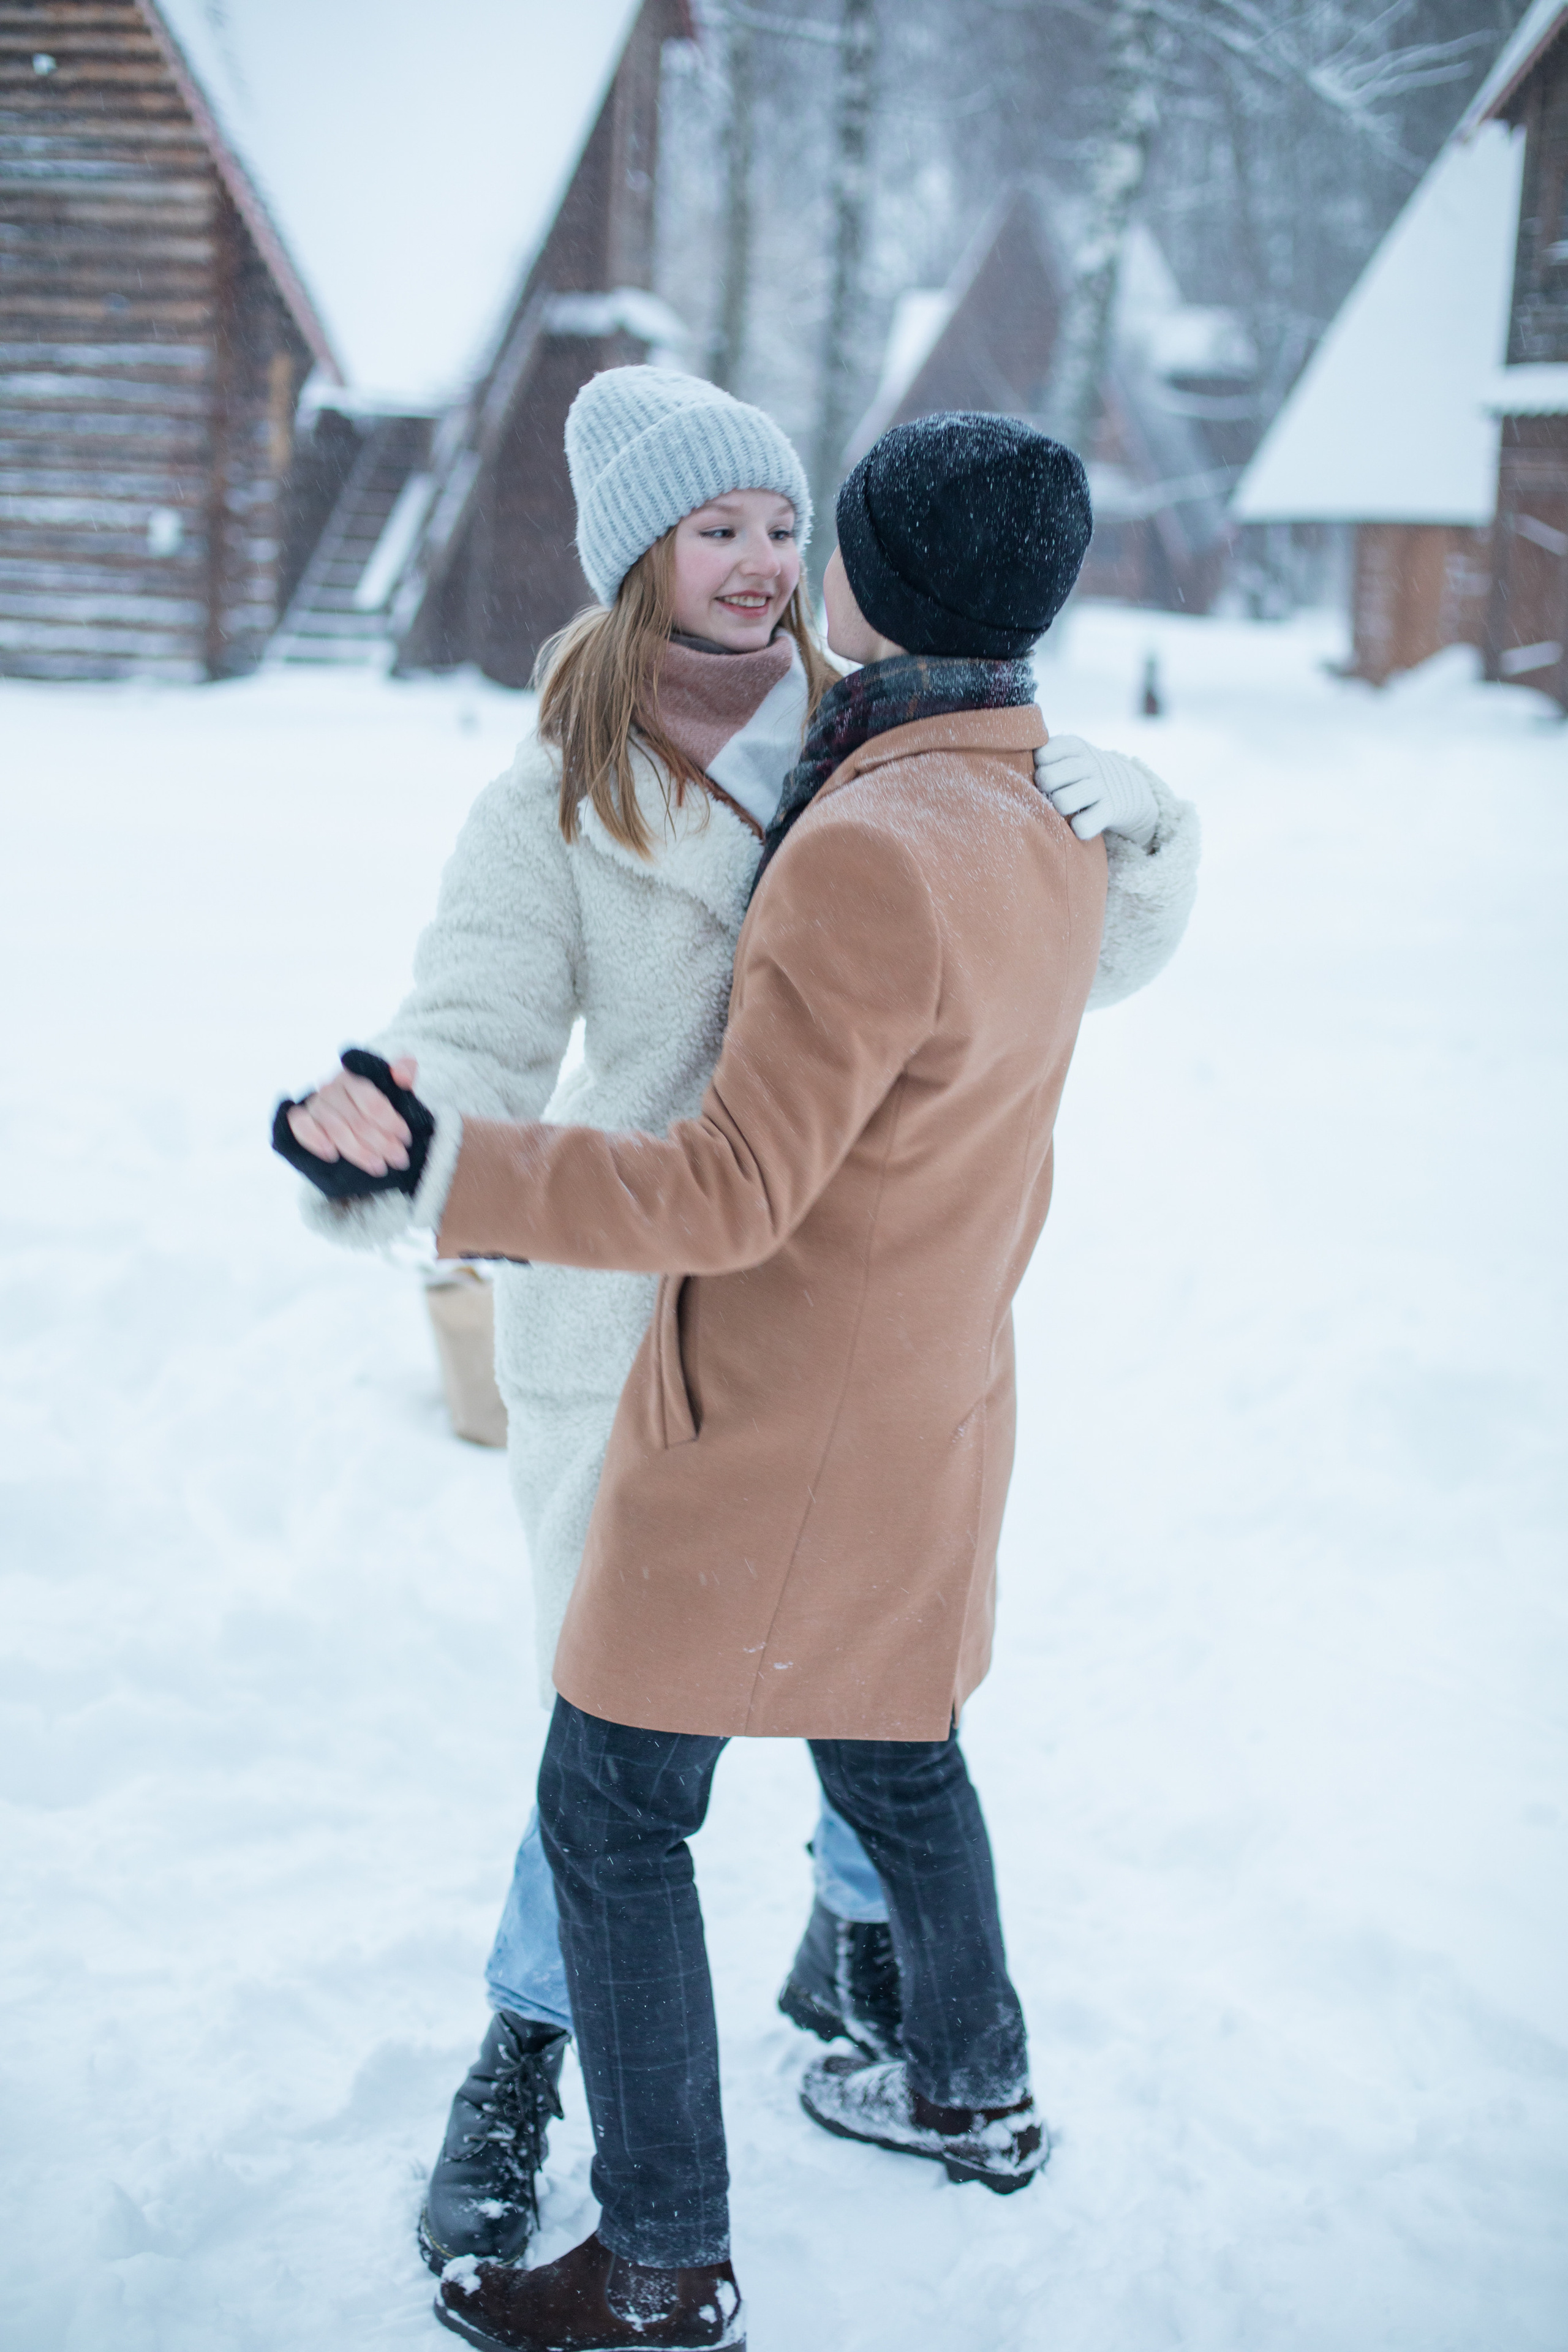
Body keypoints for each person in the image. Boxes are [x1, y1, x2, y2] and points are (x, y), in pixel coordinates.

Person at [275, 372, 1199, 2293]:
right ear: (639, 561)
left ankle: (864, 1984)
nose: (769, 564)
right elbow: (477, 1019)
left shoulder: (890, 737)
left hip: (846, 1330)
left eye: (787, 524)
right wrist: (389, 1116)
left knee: (866, 1694)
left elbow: (1055, 966)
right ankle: (528, 2061)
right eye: (721, 532)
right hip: (636, 1337)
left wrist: (1148, 839)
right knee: (608, 1751)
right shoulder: (552, 798)